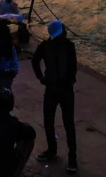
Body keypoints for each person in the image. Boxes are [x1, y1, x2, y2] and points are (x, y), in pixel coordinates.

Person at [32, 20, 78, 172]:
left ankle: (72, 158)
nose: (65, 33)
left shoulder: (68, 46)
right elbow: (35, 61)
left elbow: (73, 67)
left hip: (64, 90)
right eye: (63, 30)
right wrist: (41, 77)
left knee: (68, 124)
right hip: (53, 89)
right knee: (49, 120)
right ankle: (53, 150)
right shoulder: (46, 46)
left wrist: (70, 80)